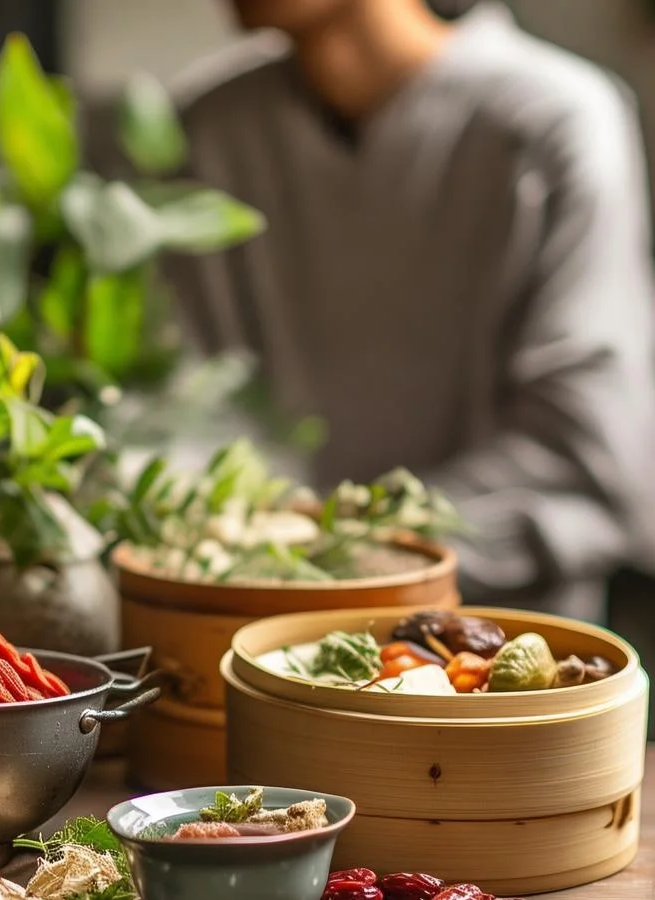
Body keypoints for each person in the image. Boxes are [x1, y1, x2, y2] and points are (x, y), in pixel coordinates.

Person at [163, 0, 655, 622]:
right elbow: (175, 410)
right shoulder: (208, 132)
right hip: (244, 653)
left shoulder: (554, 120)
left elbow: (586, 459)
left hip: (494, 662)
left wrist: (320, 551)